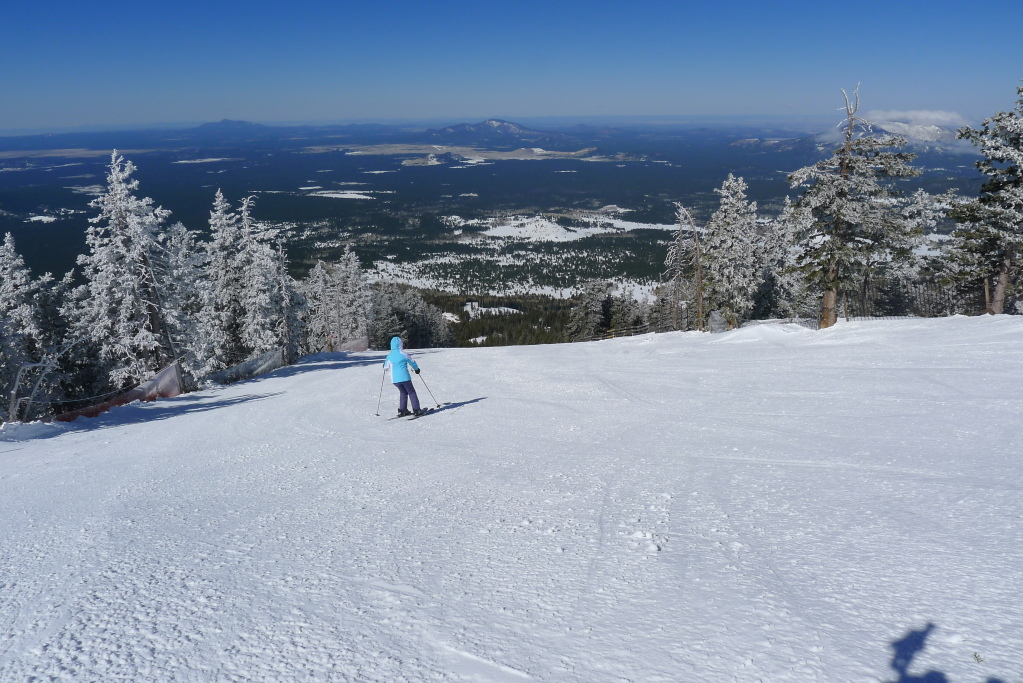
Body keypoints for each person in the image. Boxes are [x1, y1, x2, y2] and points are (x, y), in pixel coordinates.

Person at [383, 336, 423, 416]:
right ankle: (416, 410)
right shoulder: (404, 354)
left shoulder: (389, 356)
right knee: (411, 392)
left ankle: (402, 410)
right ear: (400, 344)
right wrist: (416, 369)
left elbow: (385, 367)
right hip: (405, 378)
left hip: (395, 380)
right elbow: (412, 362)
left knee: (403, 392)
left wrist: (384, 365)